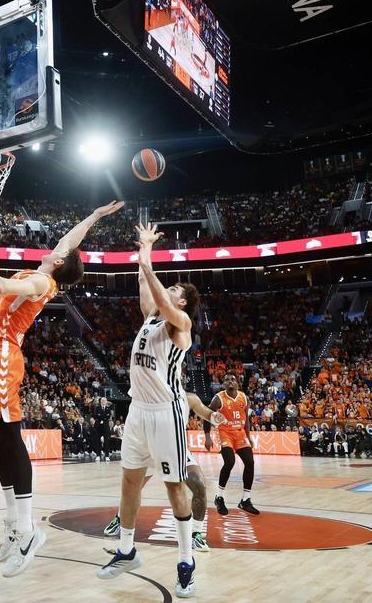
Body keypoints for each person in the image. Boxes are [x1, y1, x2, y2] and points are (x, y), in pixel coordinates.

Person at [0, 200, 125, 576]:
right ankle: (14, 530)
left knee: (9, 437)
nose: (58, 249)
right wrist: (94, 216)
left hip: (2, 356)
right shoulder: (49, 268)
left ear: (60, 265)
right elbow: (70, 241)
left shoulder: (42, 281)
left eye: (62, 253)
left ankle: (28, 529)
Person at [97, 223, 200, 599]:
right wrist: (144, 249)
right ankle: (126, 550)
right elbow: (146, 286)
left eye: (174, 291)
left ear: (182, 301)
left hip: (165, 412)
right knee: (128, 481)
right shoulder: (149, 319)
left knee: (175, 486)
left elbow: (157, 290)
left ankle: (186, 561)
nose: (166, 292)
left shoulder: (181, 325)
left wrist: (147, 262)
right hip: (138, 412)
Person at [104, 391, 226, 553]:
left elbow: (207, 413)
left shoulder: (189, 398)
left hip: (175, 449)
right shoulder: (150, 395)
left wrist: (214, 417)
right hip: (149, 449)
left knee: (199, 484)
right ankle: (120, 521)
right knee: (133, 489)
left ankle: (195, 533)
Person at [204, 372, 258, 516]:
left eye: (232, 379)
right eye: (226, 380)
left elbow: (246, 420)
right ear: (223, 384)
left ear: (237, 383)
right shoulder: (218, 399)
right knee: (229, 462)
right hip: (225, 433)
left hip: (240, 434)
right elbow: (206, 415)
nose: (229, 382)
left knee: (250, 462)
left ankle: (245, 500)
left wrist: (249, 436)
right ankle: (219, 497)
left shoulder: (244, 398)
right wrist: (207, 436)